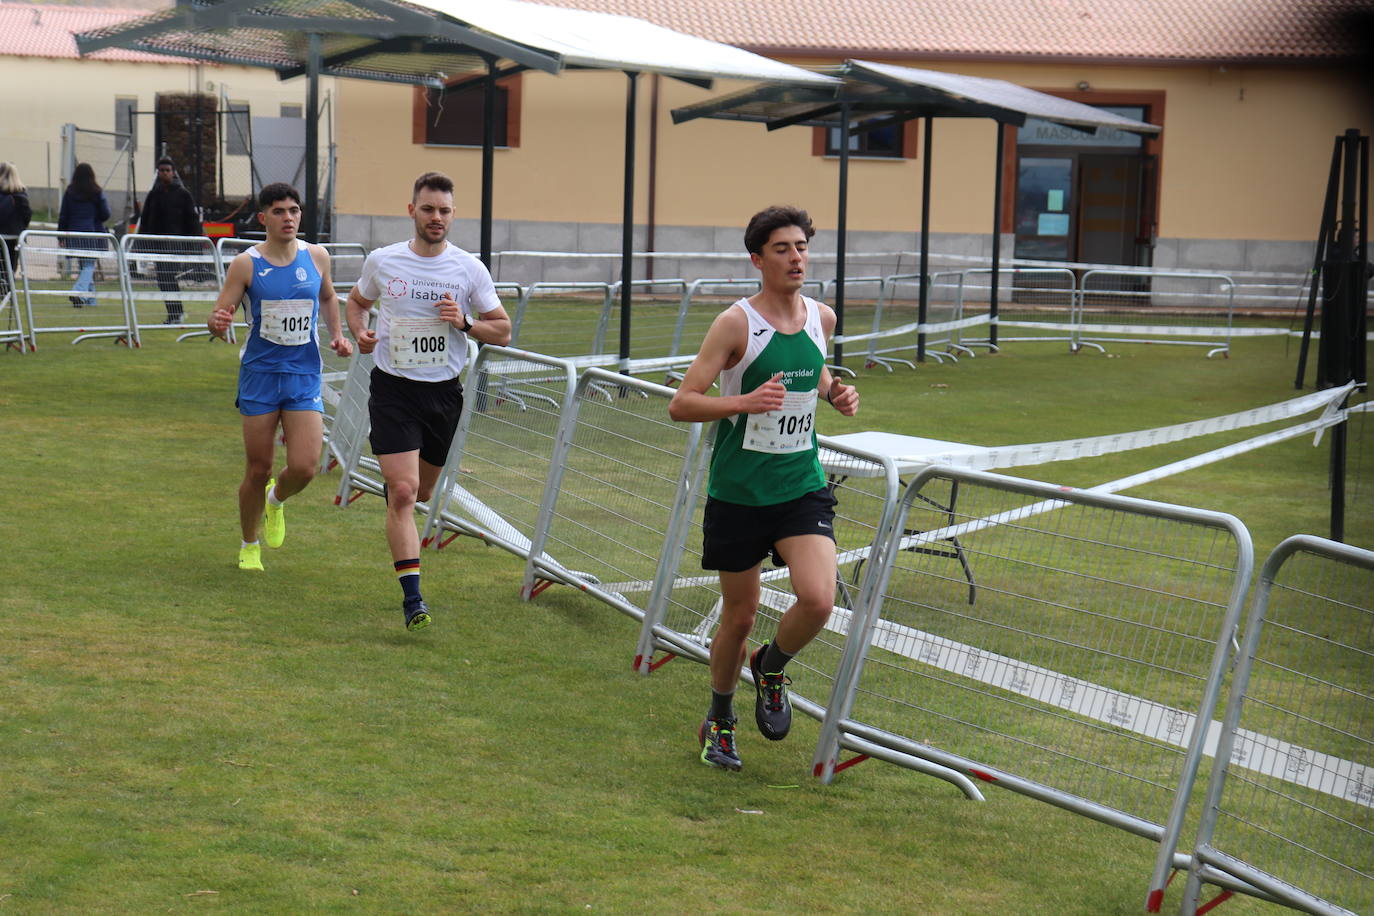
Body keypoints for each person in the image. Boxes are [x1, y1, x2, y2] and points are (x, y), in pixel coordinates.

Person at [667, 205, 859, 772]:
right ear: (757, 259)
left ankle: (771, 668)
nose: (796, 257)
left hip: (801, 484)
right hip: (739, 493)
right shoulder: (735, 324)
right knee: (740, 617)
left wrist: (835, 394)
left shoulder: (822, 317)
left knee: (820, 598)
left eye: (801, 246)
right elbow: (682, 403)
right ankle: (720, 719)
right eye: (782, 248)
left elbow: (812, 369)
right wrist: (743, 402)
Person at [345, 171, 512, 631]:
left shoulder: (468, 269)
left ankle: (400, 506)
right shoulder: (385, 260)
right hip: (394, 389)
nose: (435, 217)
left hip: (444, 395)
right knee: (402, 491)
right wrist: (360, 331)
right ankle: (413, 599)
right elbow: (356, 302)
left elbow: (503, 329)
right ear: (412, 210)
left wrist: (465, 323)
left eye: (443, 210)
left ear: (453, 215)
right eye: (428, 209)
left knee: (419, 493)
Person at [207, 182, 353, 572]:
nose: (288, 218)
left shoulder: (317, 256)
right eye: (279, 211)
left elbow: (326, 296)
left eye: (293, 210)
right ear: (263, 218)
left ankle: (276, 501)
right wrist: (218, 323)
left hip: (303, 374)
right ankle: (248, 542)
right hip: (260, 376)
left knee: (306, 466)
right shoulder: (246, 264)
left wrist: (337, 335)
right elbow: (219, 318)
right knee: (258, 468)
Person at [137, 157, 201, 323]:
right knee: (163, 279)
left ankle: (176, 313)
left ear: (173, 173)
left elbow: (192, 220)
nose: (164, 173)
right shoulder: (154, 194)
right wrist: (142, 241)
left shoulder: (183, 194)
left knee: (169, 277)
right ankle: (173, 313)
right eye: (161, 170)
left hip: (175, 244)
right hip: (158, 244)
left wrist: (193, 244)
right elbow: (145, 219)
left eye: (167, 170)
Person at [57, 162, 111, 308]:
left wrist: (61, 236)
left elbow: (63, 215)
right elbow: (105, 214)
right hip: (92, 233)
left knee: (84, 266)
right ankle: (79, 292)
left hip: (74, 232)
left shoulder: (69, 192)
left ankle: (89, 301)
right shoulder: (96, 192)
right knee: (88, 266)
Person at [0, 161, 31, 287]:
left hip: (2, 236)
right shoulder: (21, 196)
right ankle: (6, 290)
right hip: (14, 238)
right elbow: (27, 216)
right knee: (10, 268)